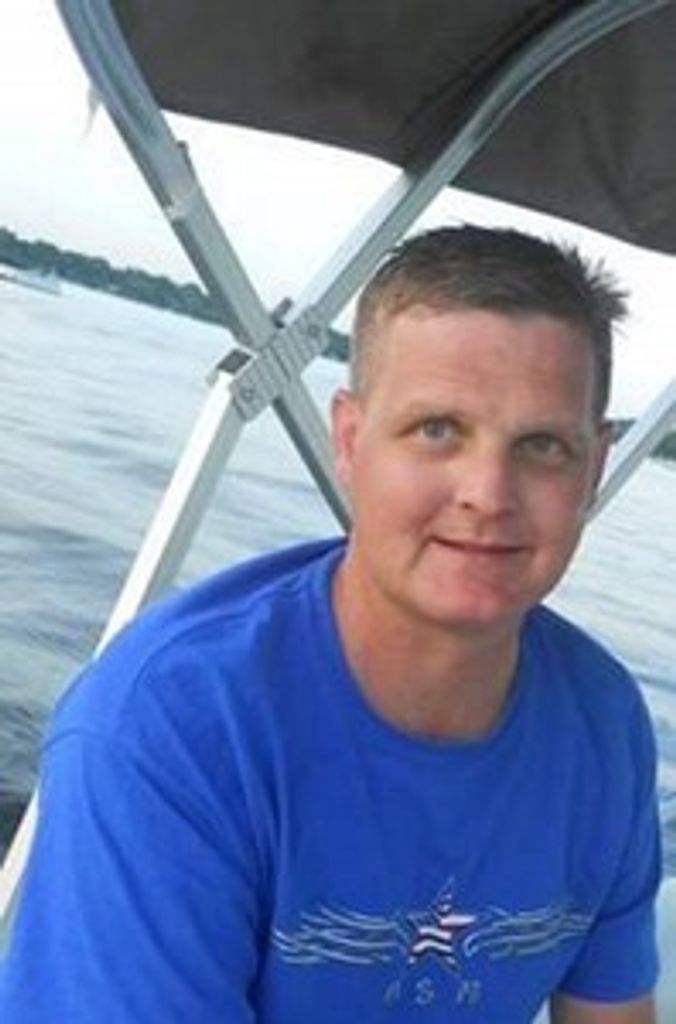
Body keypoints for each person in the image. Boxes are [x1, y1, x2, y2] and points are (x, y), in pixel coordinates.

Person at [0, 226, 661, 1023]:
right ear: (350, 442)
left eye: (543, 445)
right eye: (438, 430)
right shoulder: (172, 725)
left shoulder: (603, 723)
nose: (488, 493)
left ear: (593, 469)